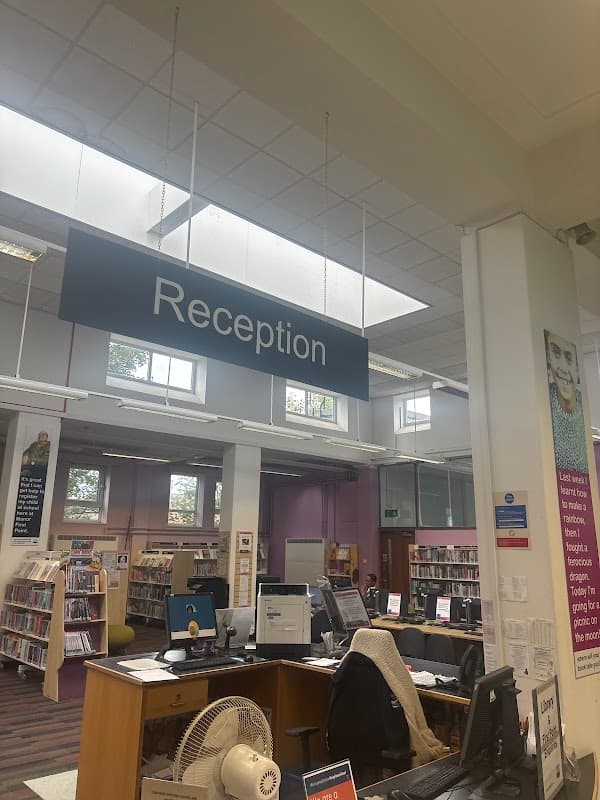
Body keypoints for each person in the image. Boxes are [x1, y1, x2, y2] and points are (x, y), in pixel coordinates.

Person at [544, 330, 588, 473]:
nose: (562, 367)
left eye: (569, 357)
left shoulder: (584, 410)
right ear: (549, 359)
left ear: (577, 367)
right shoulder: (543, 406)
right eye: (556, 353)